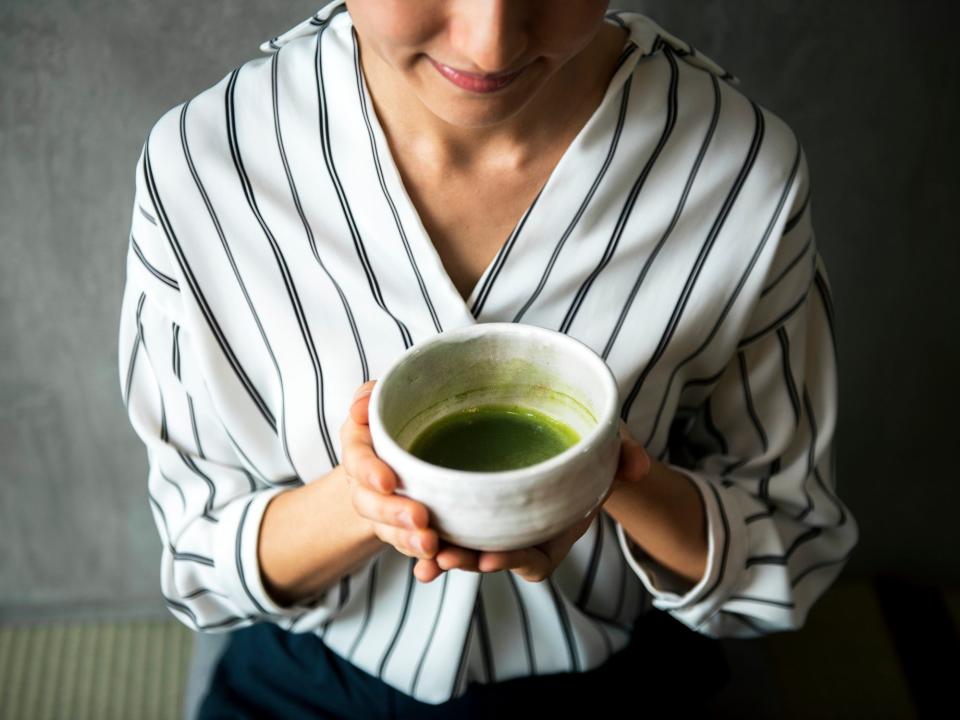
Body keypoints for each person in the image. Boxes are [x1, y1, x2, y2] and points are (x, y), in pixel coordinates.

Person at [117, 0, 859, 716]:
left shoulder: (740, 172)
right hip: (311, 683)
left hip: (617, 675)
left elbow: (787, 551)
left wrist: (609, 476)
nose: (490, 43)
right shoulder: (203, 169)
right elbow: (200, 565)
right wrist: (367, 496)